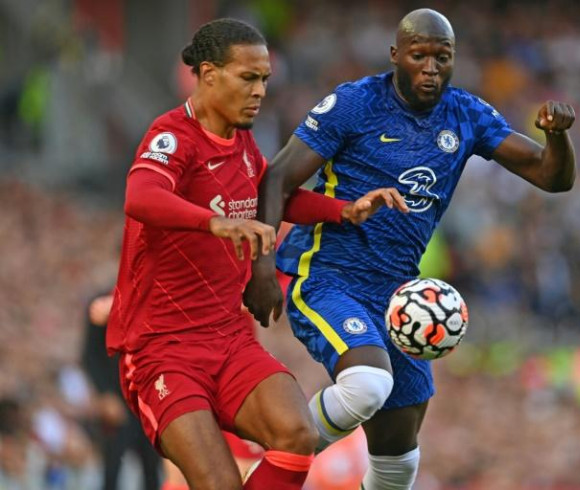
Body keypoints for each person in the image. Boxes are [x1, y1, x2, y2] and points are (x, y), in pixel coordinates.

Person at [244, 8, 576, 489]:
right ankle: (272, 458)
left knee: (399, 462)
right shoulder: (355, 104)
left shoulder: (466, 115)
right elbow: (276, 175)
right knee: (367, 386)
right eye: (419, 55)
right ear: (396, 55)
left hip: (398, 296)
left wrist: (557, 136)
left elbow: (552, 176)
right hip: (328, 276)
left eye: (443, 57)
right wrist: (262, 264)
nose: (431, 67)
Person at [106, 18, 406, 490]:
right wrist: (214, 221)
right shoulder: (172, 137)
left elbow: (274, 196)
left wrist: (343, 210)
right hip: (162, 350)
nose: (260, 90)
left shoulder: (242, 142)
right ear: (209, 75)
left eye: (265, 79)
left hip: (229, 339)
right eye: (248, 77)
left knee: (297, 434)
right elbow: (140, 197)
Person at [81, 291, 161, 490]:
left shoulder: (152, 298)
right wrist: (105, 394)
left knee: (152, 465)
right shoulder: (101, 301)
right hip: (116, 400)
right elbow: (90, 356)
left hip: (147, 398)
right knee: (113, 464)